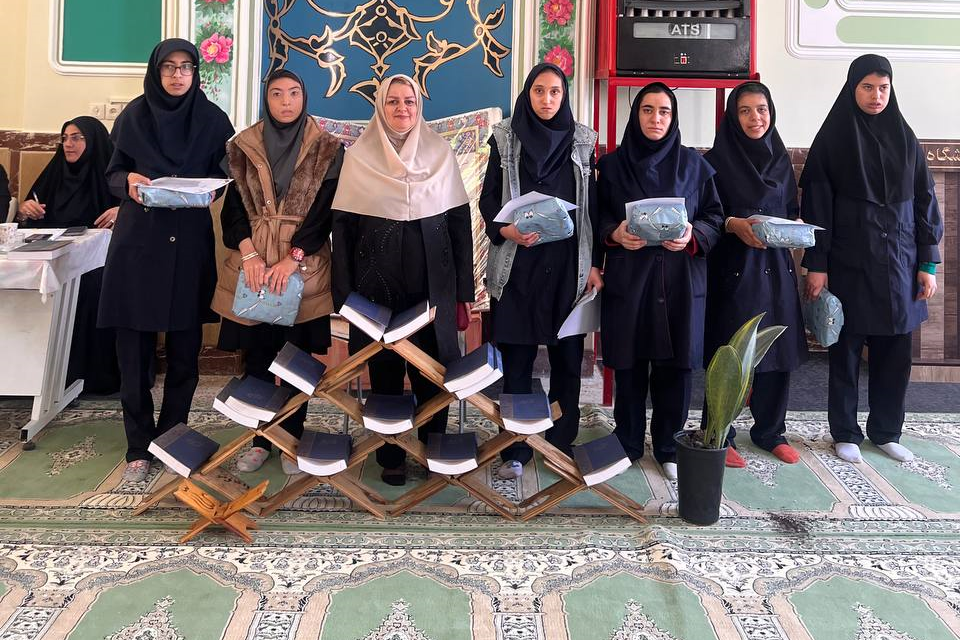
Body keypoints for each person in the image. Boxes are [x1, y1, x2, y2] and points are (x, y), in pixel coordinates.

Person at [98, 38, 234, 483]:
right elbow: (112, 173)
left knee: (184, 351)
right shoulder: (133, 116)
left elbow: (228, 172)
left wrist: (214, 188)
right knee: (133, 353)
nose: (178, 75)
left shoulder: (213, 119)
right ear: (156, 72)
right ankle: (138, 446)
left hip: (188, 245)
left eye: (186, 66)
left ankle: (172, 435)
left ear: (197, 73)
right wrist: (128, 181)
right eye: (169, 67)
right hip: (139, 244)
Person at [331, 74, 474, 487]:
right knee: (385, 367)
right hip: (375, 284)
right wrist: (344, 295)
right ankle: (391, 454)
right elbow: (342, 230)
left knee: (434, 368)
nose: (401, 109)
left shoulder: (440, 153)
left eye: (408, 101)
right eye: (392, 101)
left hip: (434, 283)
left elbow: (459, 224)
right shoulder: (359, 157)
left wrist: (464, 291)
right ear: (380, 106)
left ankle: (434, 446)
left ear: (418, 105)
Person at [801, 54, 942, 464]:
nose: (876, 95)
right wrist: (817, 264)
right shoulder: (833, 138)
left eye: (883, 87)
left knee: (895, 354)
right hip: (849, 260)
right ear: (852, 88)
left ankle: (886, 431)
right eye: (867, 87)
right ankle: (845, 432)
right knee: (845, 350)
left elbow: (925, 199)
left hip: (900, 261)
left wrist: (928, 263)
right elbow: (817, 205)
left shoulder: (905, 137)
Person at [211, 69, 343, 474]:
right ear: (266, 100)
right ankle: (260, 440)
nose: (286, 101)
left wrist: (293, 258)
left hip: (302, 265)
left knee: (295, 359)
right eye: (277, 94)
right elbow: (233, 211)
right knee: (257, 355)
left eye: (294, 93)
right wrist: (250, 255)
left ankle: (292, 437)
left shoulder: (326, 147)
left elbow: (326, 213)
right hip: (253, 264)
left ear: (305, 98)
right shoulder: (242, 147)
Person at [479, 63, 602, 479]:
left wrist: (595, 264)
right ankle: (515, 447)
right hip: (519, 266)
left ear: (564, 96)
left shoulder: (582, 142)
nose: (547, 100)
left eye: (554, 92)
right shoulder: (505, 138)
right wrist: (506, 230)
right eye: (538, 91)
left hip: (568, 268)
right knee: (517, 361)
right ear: (527, 94)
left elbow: (593, 208)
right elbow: (488, 200)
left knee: (567, 361)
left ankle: (560, 443)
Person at [598, 83, 724, 481]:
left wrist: (692, 235)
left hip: (679, 280)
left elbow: (715, 218)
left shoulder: (694, 166)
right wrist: (615, 233)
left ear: (674, 117)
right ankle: (628, 441)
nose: (656, 118)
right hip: (631, 279)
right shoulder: (613, 166)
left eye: (664, 111)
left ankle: (669, 445)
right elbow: (596, 216)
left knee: (676, 367)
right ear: (636, 115)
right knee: (630, 364)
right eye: (648, 110)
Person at [701, 82, 808, 468]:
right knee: (731, 351)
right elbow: (707, 215)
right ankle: (719, 430)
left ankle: (770, 431)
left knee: (777, 349)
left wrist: (796, 228)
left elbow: (791, 209)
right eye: (745, 111)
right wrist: (734, 224)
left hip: (776, 268)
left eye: (761, 109)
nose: (755, 118)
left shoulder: (780, 159)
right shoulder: (715, 161)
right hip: (734, 268)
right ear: (733, 116)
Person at [17, 116, 121, 394]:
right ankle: (31, 376)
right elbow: (28, 218)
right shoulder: (54, 174)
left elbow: (133, 218)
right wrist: (26, 210)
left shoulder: (110, 177)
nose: (68, 144)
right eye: (64, 138)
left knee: (93, 287)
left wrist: (121, 211)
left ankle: (90, 376)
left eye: (76, 138)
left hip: (99, 260)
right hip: (55, 257)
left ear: (93, 141)